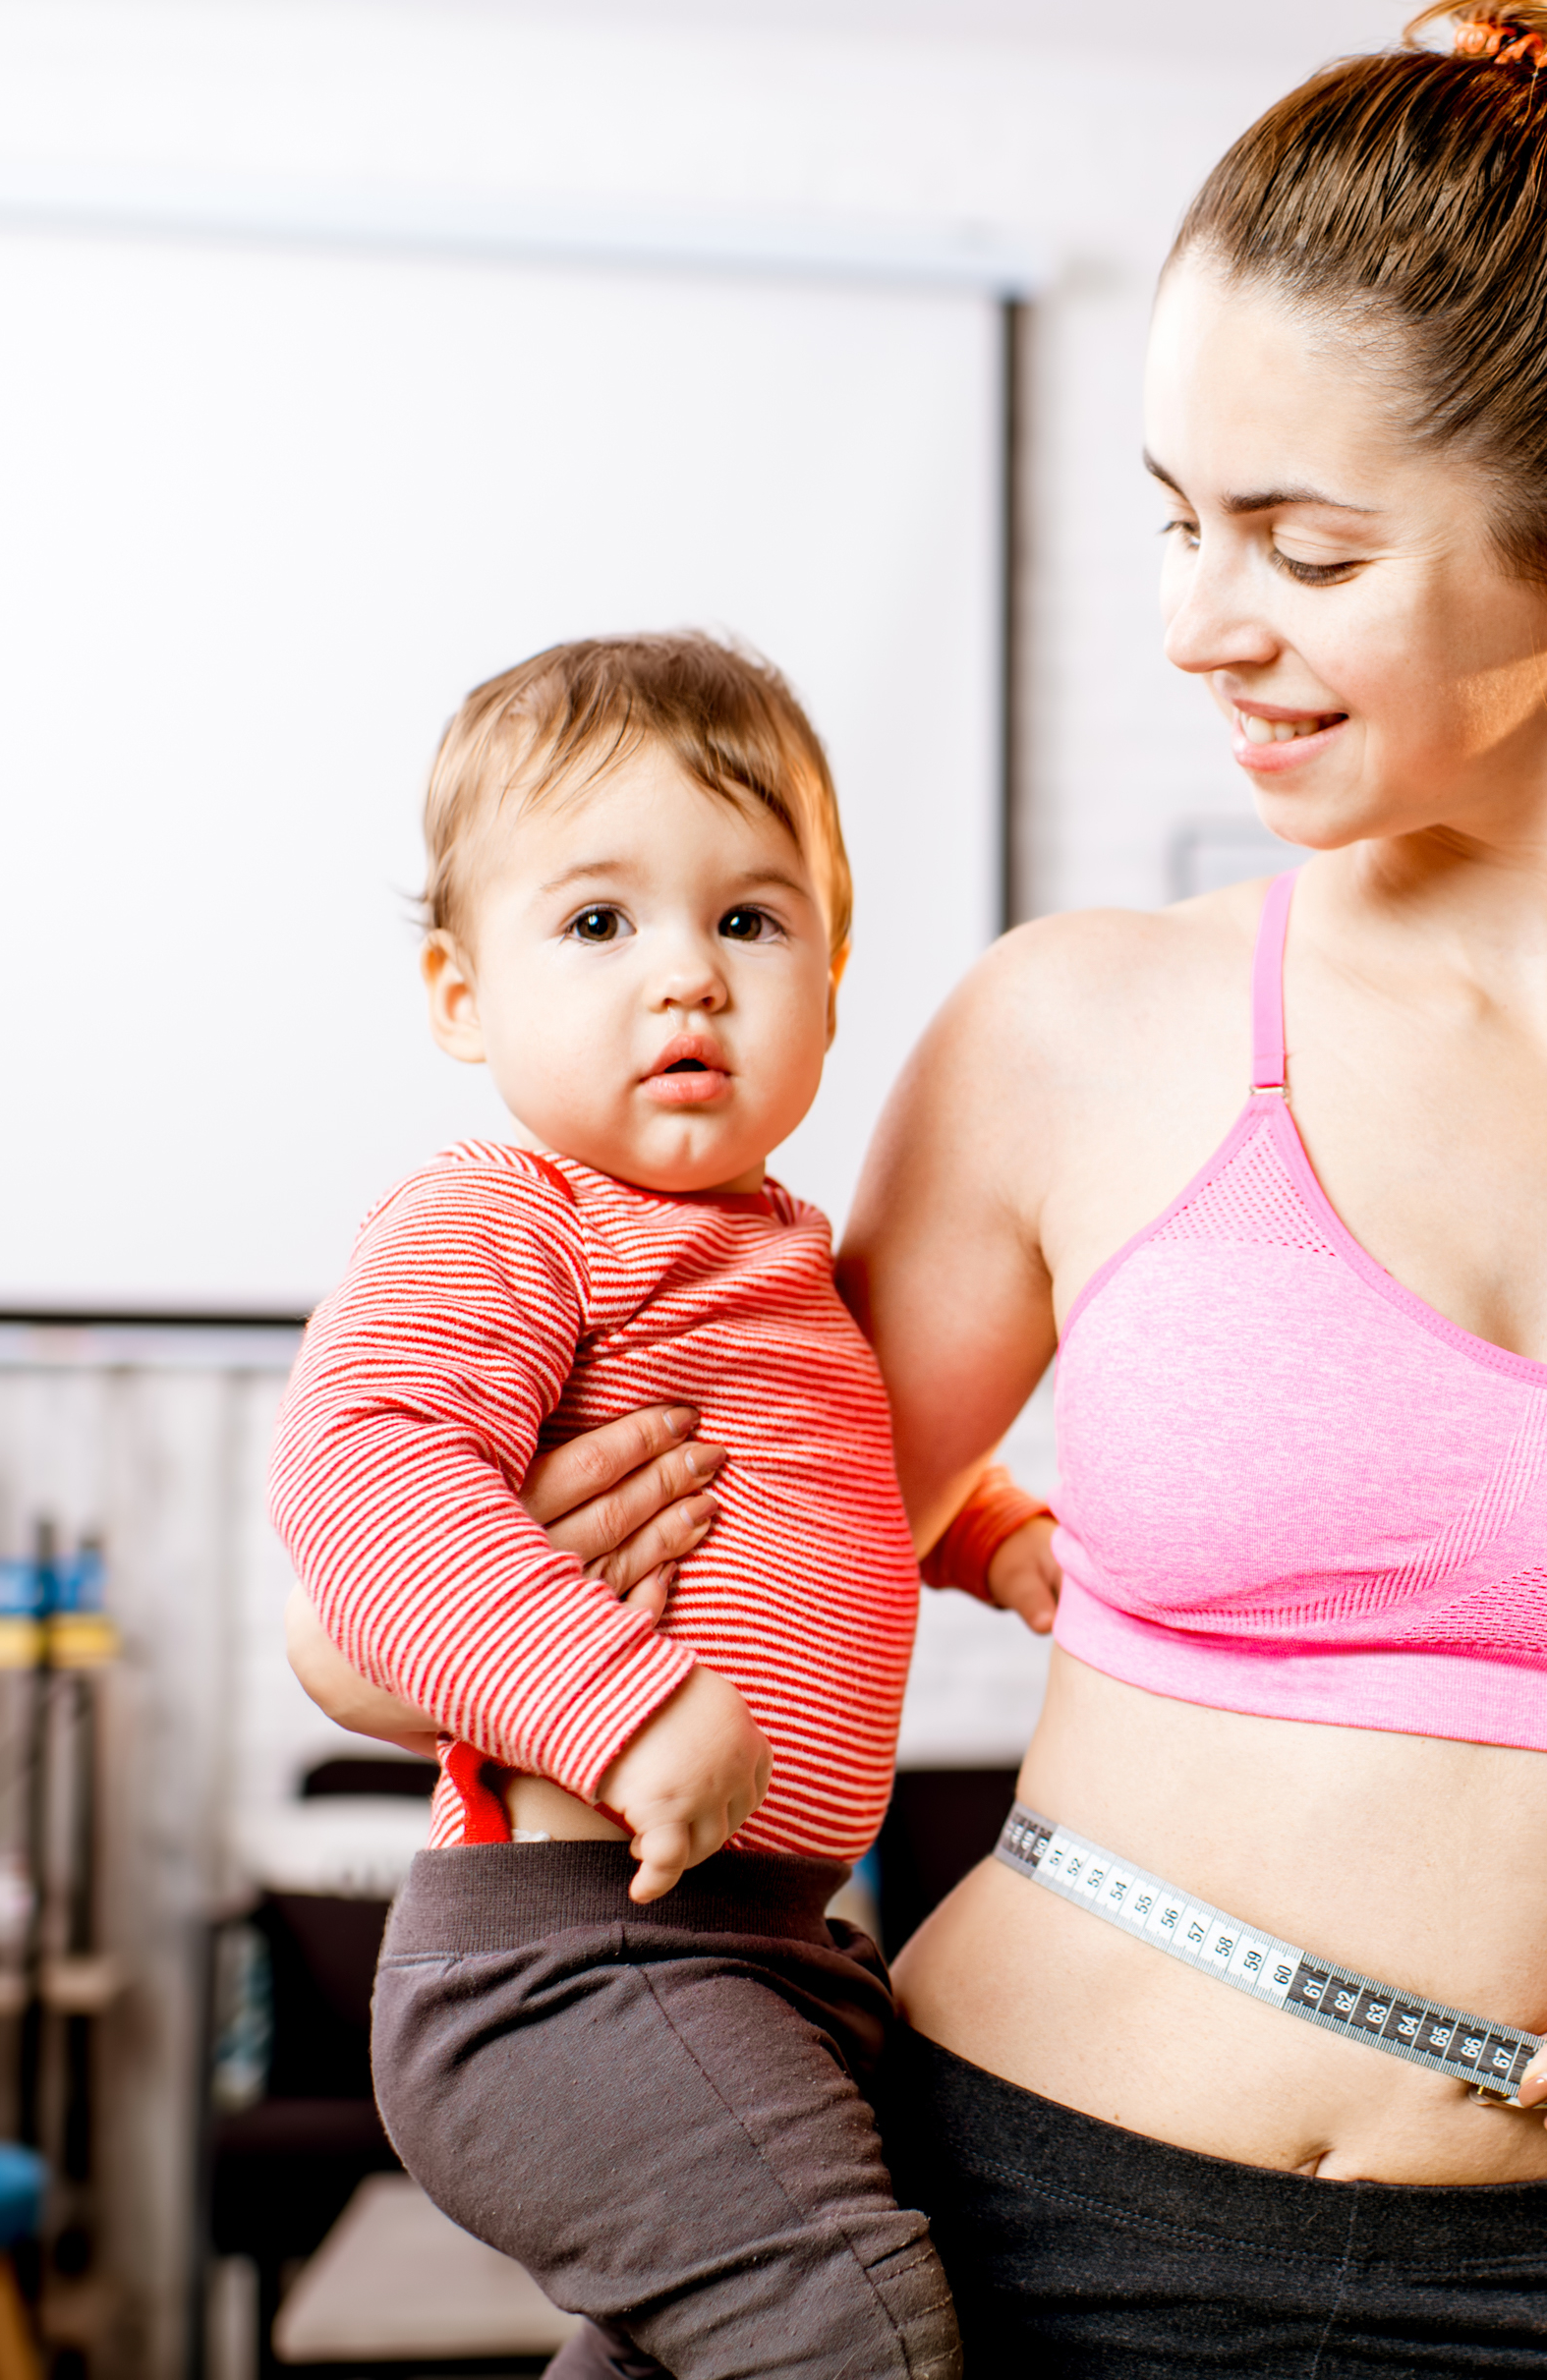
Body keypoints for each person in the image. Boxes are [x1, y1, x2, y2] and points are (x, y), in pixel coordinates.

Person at [303, 0, 1547, 2367]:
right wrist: (444, 1584)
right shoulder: (1081, 1029)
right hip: (983, 2238)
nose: (1197, 623)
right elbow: (475, 1596)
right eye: (1177, 518)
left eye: (1301, 544)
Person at [267, 633, 1049, 2380]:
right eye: (600, 925)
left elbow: (834, 1472)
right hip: (569, 1959)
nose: (686, 980)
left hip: (750, 1939)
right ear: (462, 995)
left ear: (835, 987)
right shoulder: (505, 1216)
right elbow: (369, 1483)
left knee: (703, 2345)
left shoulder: (776, 1254)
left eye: (749, 923)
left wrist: (998, 1537)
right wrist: (622, 1706)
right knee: (853, 2340)